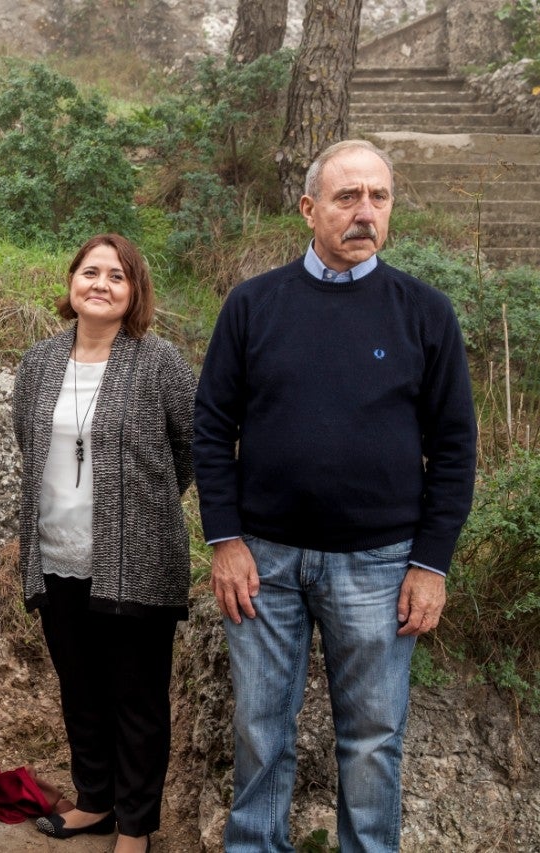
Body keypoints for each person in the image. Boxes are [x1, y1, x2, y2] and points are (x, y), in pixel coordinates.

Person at [193, 139, 478, 852]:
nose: (364, 212)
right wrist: (224, 540)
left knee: (374, 741)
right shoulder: (254, 304)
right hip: (263, 563)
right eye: (347, 196)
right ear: (308, 207)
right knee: (260, 731)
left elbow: (454, 448)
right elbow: (210, 428)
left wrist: (431, 564)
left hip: (382, 567)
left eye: (378, 197)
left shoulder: (425, 311)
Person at [12, 233, 196, 853]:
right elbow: (28, 443)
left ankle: (137, 825)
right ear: (71, 282)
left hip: (136, 561)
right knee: (80, 688)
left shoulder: (160, 362)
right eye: (90, 272)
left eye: (116, 276)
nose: (100, 284)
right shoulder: (39, 362)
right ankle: (95, 801)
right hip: (55, 553)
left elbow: (190, 447)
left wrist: (139, 505)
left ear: (133, 291)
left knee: (136, 699)